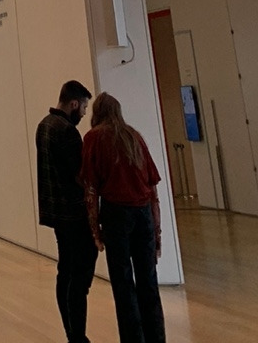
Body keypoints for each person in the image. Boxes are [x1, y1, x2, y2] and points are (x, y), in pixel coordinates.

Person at [80, 93, 166, 343]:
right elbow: (152, 188)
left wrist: (95, 230)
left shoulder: (94, 138)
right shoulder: (134, 136)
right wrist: (157, 232)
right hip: (143, 214)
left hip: (116, 214)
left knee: (123, 283)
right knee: (148, 281)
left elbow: (91, 189)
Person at [36, 81, 96, 343]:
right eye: (83, 107)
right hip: (74, 213)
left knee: (65, 271)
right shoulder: (67, 131)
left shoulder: (44, 125)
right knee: (79, 277)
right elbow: (80, 175)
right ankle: (77, 334)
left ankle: (71, 333)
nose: (84, 113)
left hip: (57, 212)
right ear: (74, 104)